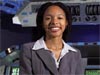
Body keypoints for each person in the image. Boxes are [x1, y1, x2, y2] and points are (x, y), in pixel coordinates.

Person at [20, 2, 84, 75]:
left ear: (66, 22)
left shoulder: (75, 54)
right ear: (42, 23)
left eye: (59, 18)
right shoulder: (28, 50)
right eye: (48, 18)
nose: (54, 22)